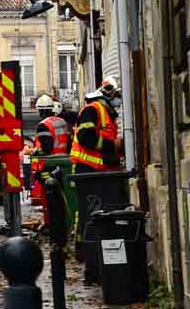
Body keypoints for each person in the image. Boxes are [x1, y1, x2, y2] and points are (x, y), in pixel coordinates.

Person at [71, 78, 125, 274]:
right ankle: (92, 267)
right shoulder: (93, 109)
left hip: (98, 173)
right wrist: (114, 145)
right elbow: (86, 138)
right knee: (91, 219)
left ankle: (96, 266)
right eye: (117, 96)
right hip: (88, 173)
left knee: (95, 219)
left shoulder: (106, 114)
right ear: (108, 93)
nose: (119, 100)